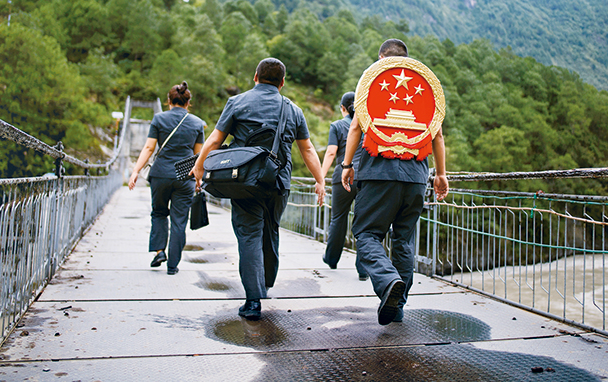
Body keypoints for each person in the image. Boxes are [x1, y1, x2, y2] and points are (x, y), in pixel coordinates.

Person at [191, 58, 326, 320]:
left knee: (249, 235)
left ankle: (253, 300)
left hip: (243, 182)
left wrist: (199, 167)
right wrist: (319, 181)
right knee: (270, 229)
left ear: (255, 76)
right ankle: (267, 281)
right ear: (282, 82)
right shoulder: (293, 110)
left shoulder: (237, 102)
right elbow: (307, 149)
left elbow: (216, 139)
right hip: (278, 183)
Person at [341, 39, 449, 325]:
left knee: (366, 234)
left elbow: (355, 126)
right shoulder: (422, 84)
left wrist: (347, 164)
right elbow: (437, 136)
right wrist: (440, 174)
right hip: (415, 177)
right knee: (403, 241)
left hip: (378, 174)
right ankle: (397, 306)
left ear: (380, 58)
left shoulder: (373, 80)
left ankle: (388, 282)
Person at [129, 82, 205, 276]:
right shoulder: (197, 123)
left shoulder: (159, 119)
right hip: (184, 176)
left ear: (169, 101)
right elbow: (198, 156)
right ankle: (173, 265)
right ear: (189, 103)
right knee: (179, 221)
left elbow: (148, 148)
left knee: (159, 213)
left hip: (161, 174)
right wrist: (198, 180)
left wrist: (136, 171)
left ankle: (159, 251)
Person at [320, 91, 367, 281]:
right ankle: (363, 269)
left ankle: (332, 258)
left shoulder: (337, 126)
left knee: (338, 218)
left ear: (343, 108)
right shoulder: (367, 126)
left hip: (343, 175)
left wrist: (320, 178)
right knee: (365, 221)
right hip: (365, 176)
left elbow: (331, 153)